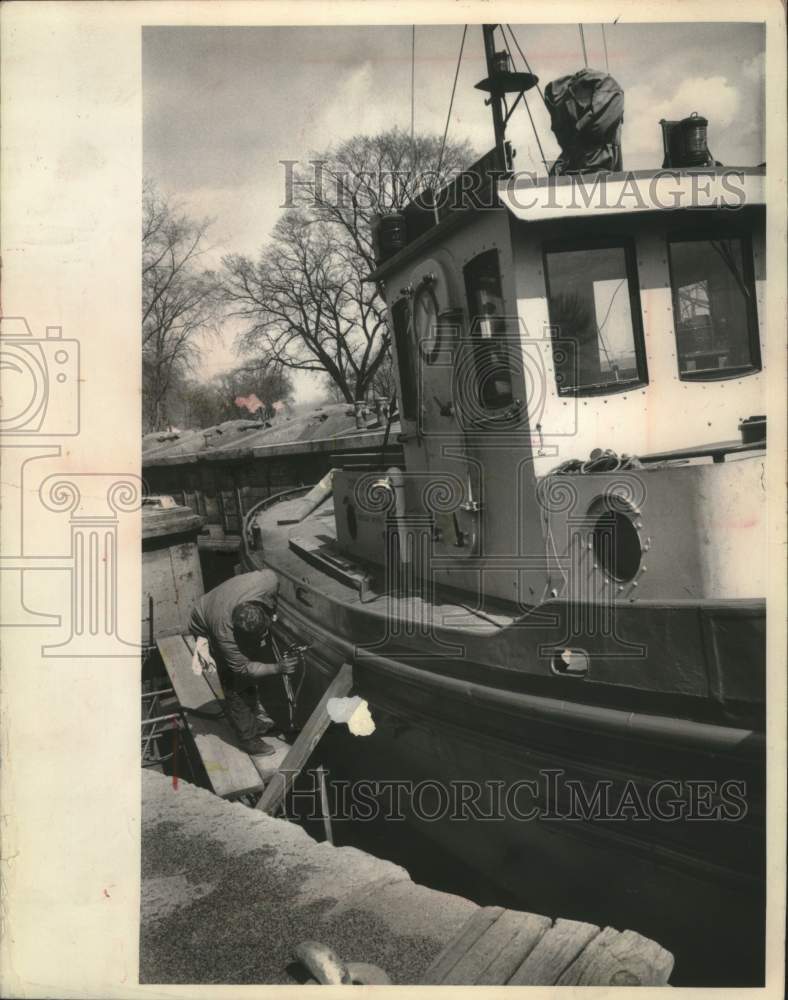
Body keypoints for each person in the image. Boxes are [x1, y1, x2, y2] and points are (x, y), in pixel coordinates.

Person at [188, 569, 297, 758]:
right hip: (203, 618)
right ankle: (248, 738)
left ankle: (254, 720)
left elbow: (275, 586)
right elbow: (243, 668)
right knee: (234, 682)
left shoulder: (267, 580)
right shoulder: (225, 634)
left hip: (224, 601)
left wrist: (273, 610)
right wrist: (277, 668)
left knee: (254, 663)